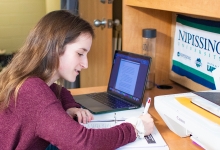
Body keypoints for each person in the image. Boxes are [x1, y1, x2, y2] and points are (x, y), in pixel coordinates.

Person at [0, 10, 154, 150]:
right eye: (80, 53)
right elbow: (84, 143)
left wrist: (70, 106)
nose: (85, 64)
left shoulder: (30, 79)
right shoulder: (33, 90)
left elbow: (59, 91)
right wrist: (135, 128)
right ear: (55, 49)